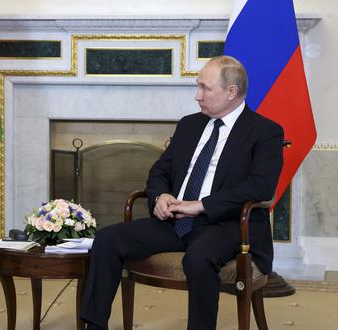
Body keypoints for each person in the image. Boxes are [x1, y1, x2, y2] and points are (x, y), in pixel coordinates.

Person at [81, 55, 284, 330]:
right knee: (107, 239)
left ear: (231, 91)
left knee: (199, 258)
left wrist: (201, 205)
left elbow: (261, 185)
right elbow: (159, 171)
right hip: (175, 220)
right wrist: (159, 197)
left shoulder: (265, 131)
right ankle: (94, 325)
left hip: (227, 224)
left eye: (205, 88)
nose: (197, 96)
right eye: (197, 86)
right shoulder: (190, 124)